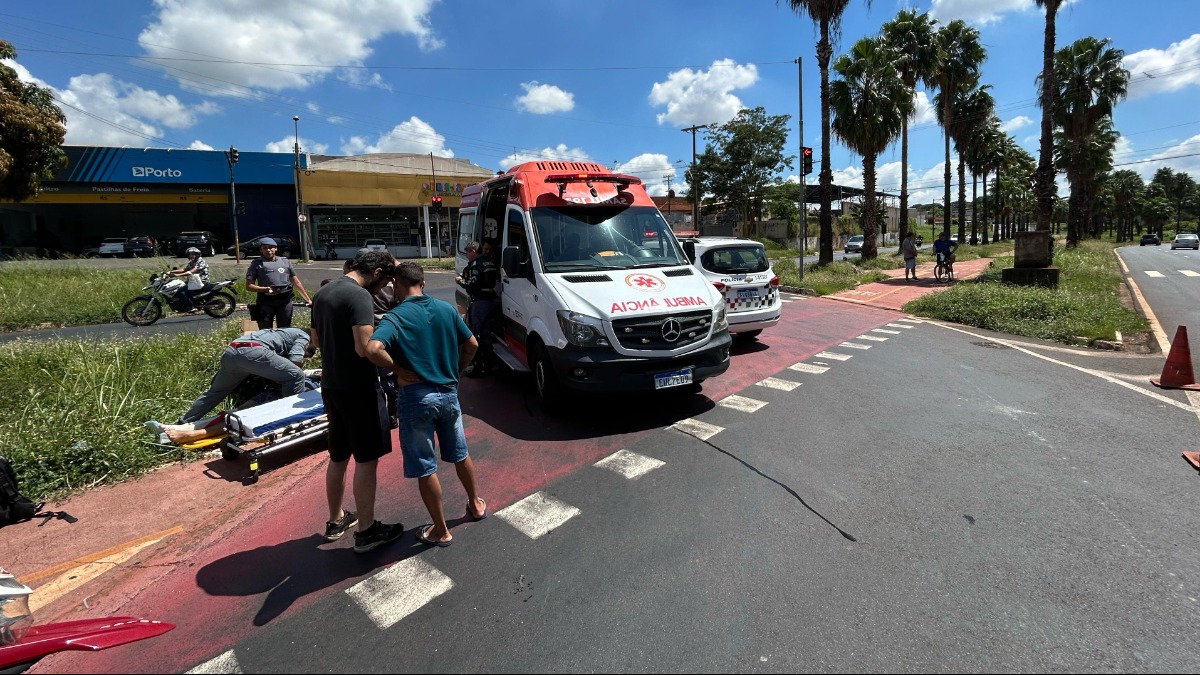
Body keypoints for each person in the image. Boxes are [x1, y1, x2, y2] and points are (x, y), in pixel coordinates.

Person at [366, 261, 486, 548]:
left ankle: (441, 530)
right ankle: (475, 504)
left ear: (396, 283)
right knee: (459, 453)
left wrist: (397, 369)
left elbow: (372, 349)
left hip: (416, 397)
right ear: (423, 283)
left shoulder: (395, 317)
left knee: (425, 464)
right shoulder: (445, 308)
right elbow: (472, 344)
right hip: (448, 394)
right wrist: (456, 371)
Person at [309, 250, 404, 553]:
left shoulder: (324, 292)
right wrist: (402, 369)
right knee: (366, 459)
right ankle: (366, 531)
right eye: (386, 280)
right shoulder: (360, 297)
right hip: (359, 388)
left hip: (331, 385)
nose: (384, 288)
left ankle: (336, 519)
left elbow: (315, 341)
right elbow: (367, 350)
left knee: (338, 456)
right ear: (376, 273)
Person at [175, 328, 314, 424]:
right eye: (306, 354)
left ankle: (184, 421)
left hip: (232, 351)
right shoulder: (305, 336)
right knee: (296, 375)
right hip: (253, 351)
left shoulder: (284, 333)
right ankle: (292, 419)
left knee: (216, 392)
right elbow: (295, 360)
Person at [246, 237, 312, 330]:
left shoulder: (285, 261)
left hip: (284, 301)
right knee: (265, 331)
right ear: (261, 250)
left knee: (285, 330)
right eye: (265, 248)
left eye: (271, 247)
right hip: (266, 302)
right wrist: (265, 289)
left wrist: (307, 299)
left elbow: (296, 282)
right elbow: (249, 286)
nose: (268, 250)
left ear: (276, 248)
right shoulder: (257, 264)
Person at [456, 241, 499, 377]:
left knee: (475, 335)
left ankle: (477, 366)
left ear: (473, 251)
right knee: (486, 335)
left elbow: (472, 285)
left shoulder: (476, 265)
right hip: (490, 301)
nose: (467, 255)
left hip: (479, 302)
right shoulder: (489, 262)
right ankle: (489, 365)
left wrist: (460, 281)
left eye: (468, 252)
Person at [170, 246, 210, 312]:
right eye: (190, 254)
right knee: (179, 288)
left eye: (193, 254)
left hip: (201, 282)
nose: (191, 256)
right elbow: (184, 270)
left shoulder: (201, 261)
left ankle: (190, 306)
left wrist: (177, 275)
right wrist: (171, 271)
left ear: (197, 255)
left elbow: (190, 272)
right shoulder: (192, 262)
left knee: (180, 291)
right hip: (194, 281)